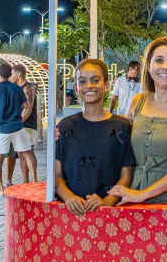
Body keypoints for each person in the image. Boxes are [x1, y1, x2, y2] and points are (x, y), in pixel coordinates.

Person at [109, 37, 167, 205]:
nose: (165, 67)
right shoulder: (137, 102)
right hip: (134, 197)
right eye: (159, 60)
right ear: (149, 66)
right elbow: (117, 145)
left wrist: (142, 194)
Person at [55, 59, 135, 215]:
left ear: (106, 86)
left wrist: (108, 201)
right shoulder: (65, 127)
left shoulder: (122, 126)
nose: (89, 85)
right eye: (82, 81)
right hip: (71, 214)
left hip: (110, 214)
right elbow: (56, 175)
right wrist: (69, 197)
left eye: (96, 80)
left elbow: (126, 176)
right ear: (76, 88)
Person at [0, 63, 33, 196]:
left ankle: (0, 189)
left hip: (1, 129)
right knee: (27, 154)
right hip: (17, 127)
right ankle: (34, 181)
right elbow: (26, 105)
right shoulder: (17, 88)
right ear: (10, 74)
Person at [6, 65, 38, 186]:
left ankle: (29, 181)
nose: (10, 77)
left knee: (26, 153)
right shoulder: (18, 88)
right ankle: (27, 181)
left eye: (12, 74)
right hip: (22, 124)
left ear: (18, 75)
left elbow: (27, 109)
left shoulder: (27, 88)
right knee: (23, 154)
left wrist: (18, 123)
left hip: (27, 125)